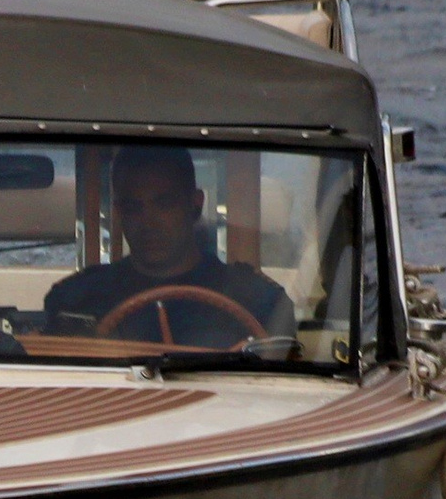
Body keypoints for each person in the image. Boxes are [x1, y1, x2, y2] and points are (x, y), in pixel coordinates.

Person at [42, 146, 296, 349]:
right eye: (133, 207)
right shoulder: (78, 300)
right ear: (119, 214)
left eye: (164, 204)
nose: (148, 222)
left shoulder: (261, 302)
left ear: (195, 205)